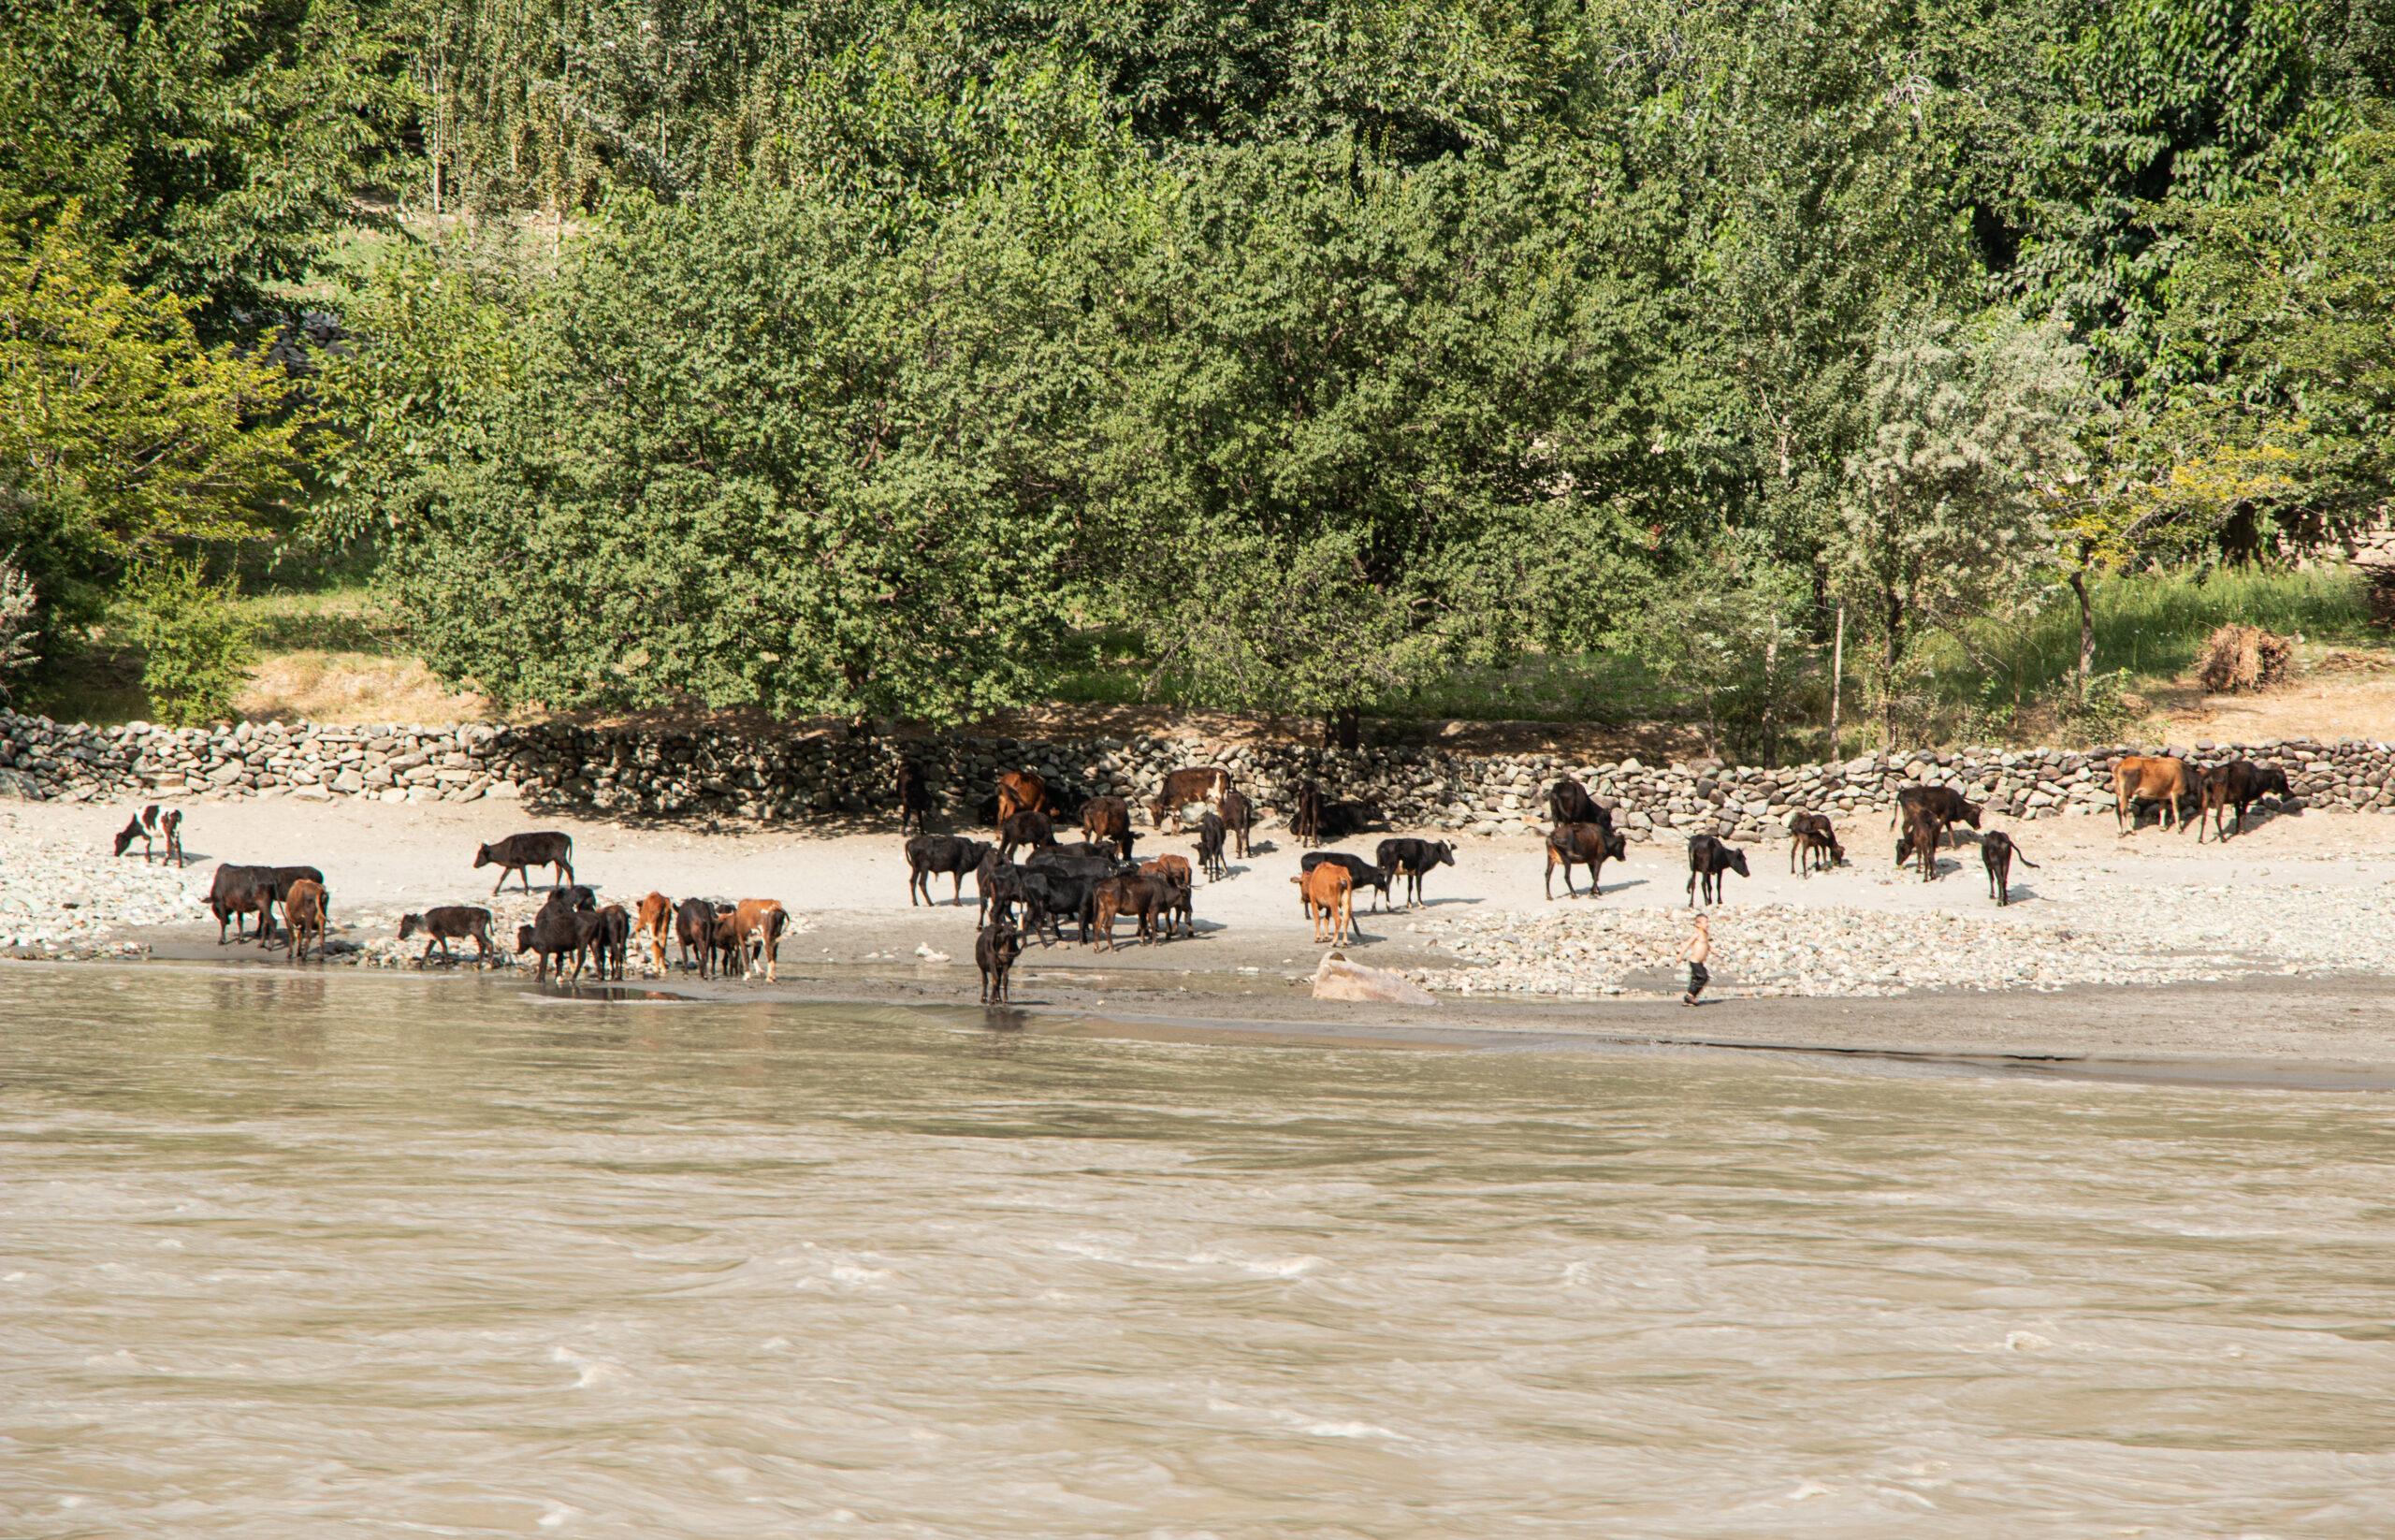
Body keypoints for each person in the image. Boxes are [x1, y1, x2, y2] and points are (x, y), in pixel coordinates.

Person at [1680, 913, 1710, 1007]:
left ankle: (1690, 997)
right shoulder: (1697, 933)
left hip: (1700, 962)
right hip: (1695, 961)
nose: (1708, 924)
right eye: (1705, 922)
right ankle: (1690, 996)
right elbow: (1688, 943)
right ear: (1698, 924)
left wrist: (1712, 950)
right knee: (1703, 977)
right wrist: (1680, 955)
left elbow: (1706, 944)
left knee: (1696, 978)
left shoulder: (1705, 934)